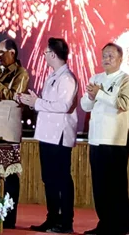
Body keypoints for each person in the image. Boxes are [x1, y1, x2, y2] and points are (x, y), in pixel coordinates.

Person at [19, 37, 77, 234]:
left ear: (53, 54)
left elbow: (64, 106)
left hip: (59, 135)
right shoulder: (53, 76)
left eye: (45, 53)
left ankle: (65, 222)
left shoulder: (67, 78)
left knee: (61, 178)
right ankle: (52, 218)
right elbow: (47, 104)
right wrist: (33, 101)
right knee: (49, 178)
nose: (43, 56)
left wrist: (37, 103)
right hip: (47, 134)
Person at [80, 43, 129, 235]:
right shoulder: (96, 78)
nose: (106, 59)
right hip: (96, 139)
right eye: (104, 55)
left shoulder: (126, 80)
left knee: (116, 185)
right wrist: (90, 96)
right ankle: (104, 223)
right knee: (99, 186)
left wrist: (100, 94)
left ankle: (121, 226)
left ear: (120, 59)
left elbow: (124, 104)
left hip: (115, 141)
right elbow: (85, 106)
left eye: (111, 56)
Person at [0, 38, 29, 229]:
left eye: (1, 52)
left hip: (8, 131)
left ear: (12, 53)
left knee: (9, 174)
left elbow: (13, 96)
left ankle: (9, 218)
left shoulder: (21, 73)